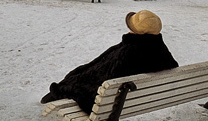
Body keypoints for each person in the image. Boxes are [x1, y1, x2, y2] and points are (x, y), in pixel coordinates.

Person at [40, 10, 178, 113]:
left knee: (75, 81)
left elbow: (108, 78)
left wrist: (70, 87)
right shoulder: (159, 49)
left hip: (107, 103)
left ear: (136, 32)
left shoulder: (130, 51)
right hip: (136, 99)